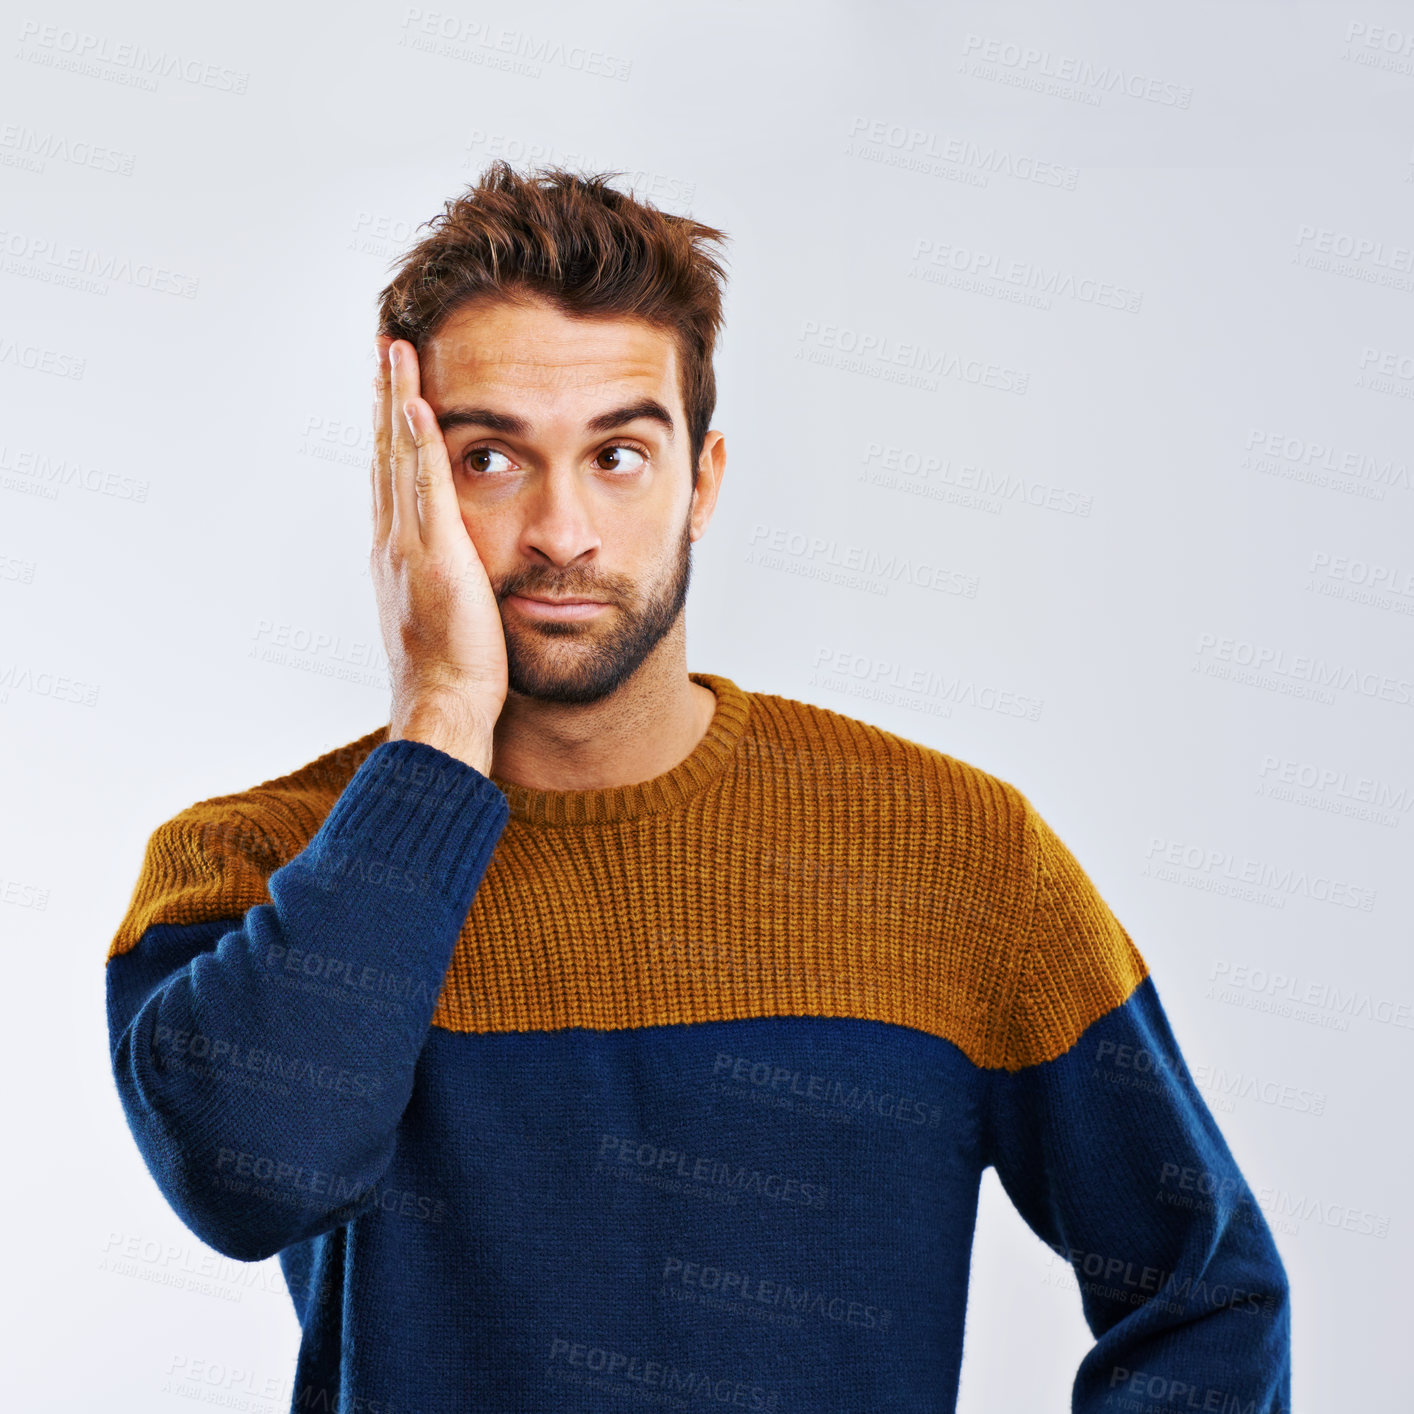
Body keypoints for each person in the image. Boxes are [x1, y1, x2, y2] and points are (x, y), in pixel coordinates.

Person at [105, 161, 1291, 1414]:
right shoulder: (250, 864)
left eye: (618, 454)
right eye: (491, 457)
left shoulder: (961, 857)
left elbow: (1206, 1288)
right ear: (406, 489)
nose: (562, 529)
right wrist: (441, 720)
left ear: (703, 484)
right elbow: (254, 1181)